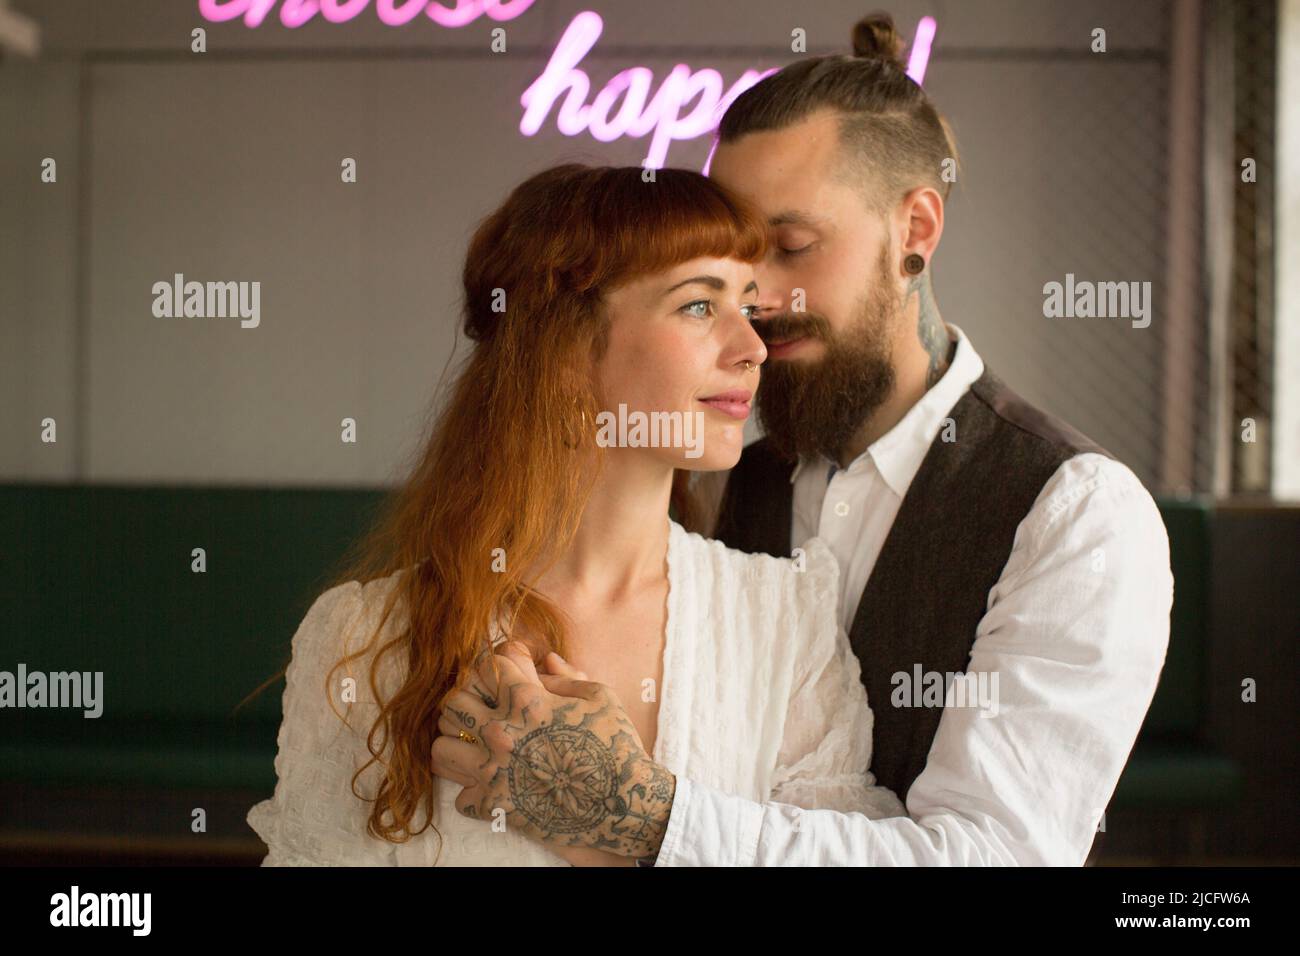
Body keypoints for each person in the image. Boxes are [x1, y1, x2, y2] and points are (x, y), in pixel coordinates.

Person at [433, 12, 1173, 866]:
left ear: (916, 231)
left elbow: (995, 856)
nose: (761, 301)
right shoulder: (720, 477)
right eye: (736, 273)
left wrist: (643, 817)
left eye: (790, 248)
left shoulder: (1076, 515)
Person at [246, 163, 907, 866]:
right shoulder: (364, 637)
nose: (751, 348)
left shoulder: (785, 621)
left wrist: (612, 834)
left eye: (747, 305)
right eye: (698, 306)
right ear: (561, 349)